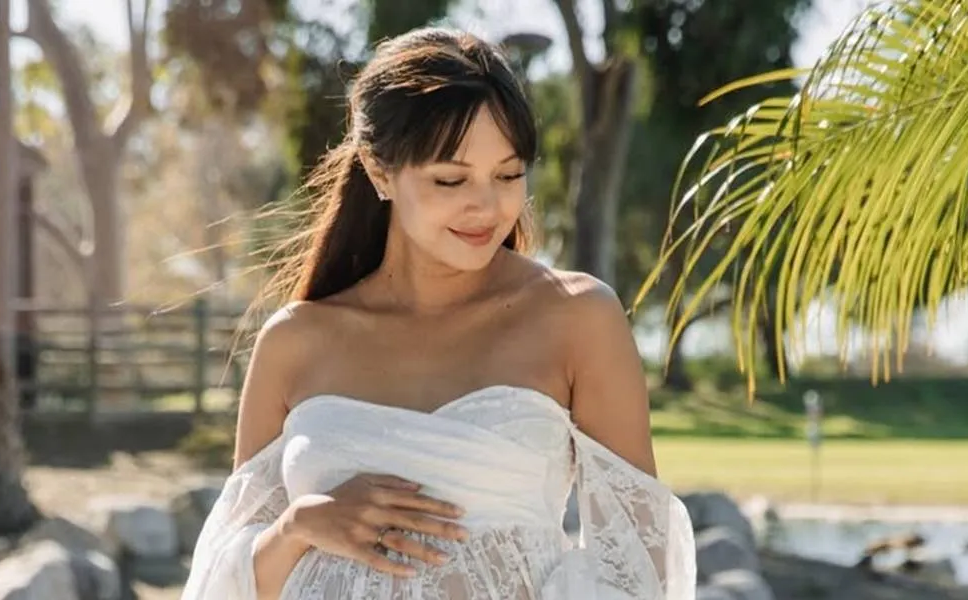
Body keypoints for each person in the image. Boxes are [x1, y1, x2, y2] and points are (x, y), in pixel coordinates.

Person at [181, 27, 696, 600]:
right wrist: (296, 527)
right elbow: (221, 581)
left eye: (508, 174)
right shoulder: (294, 341)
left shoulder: (576, 318)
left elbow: (638, 571)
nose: (487, 206)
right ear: (379, 172)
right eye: (451, 179)